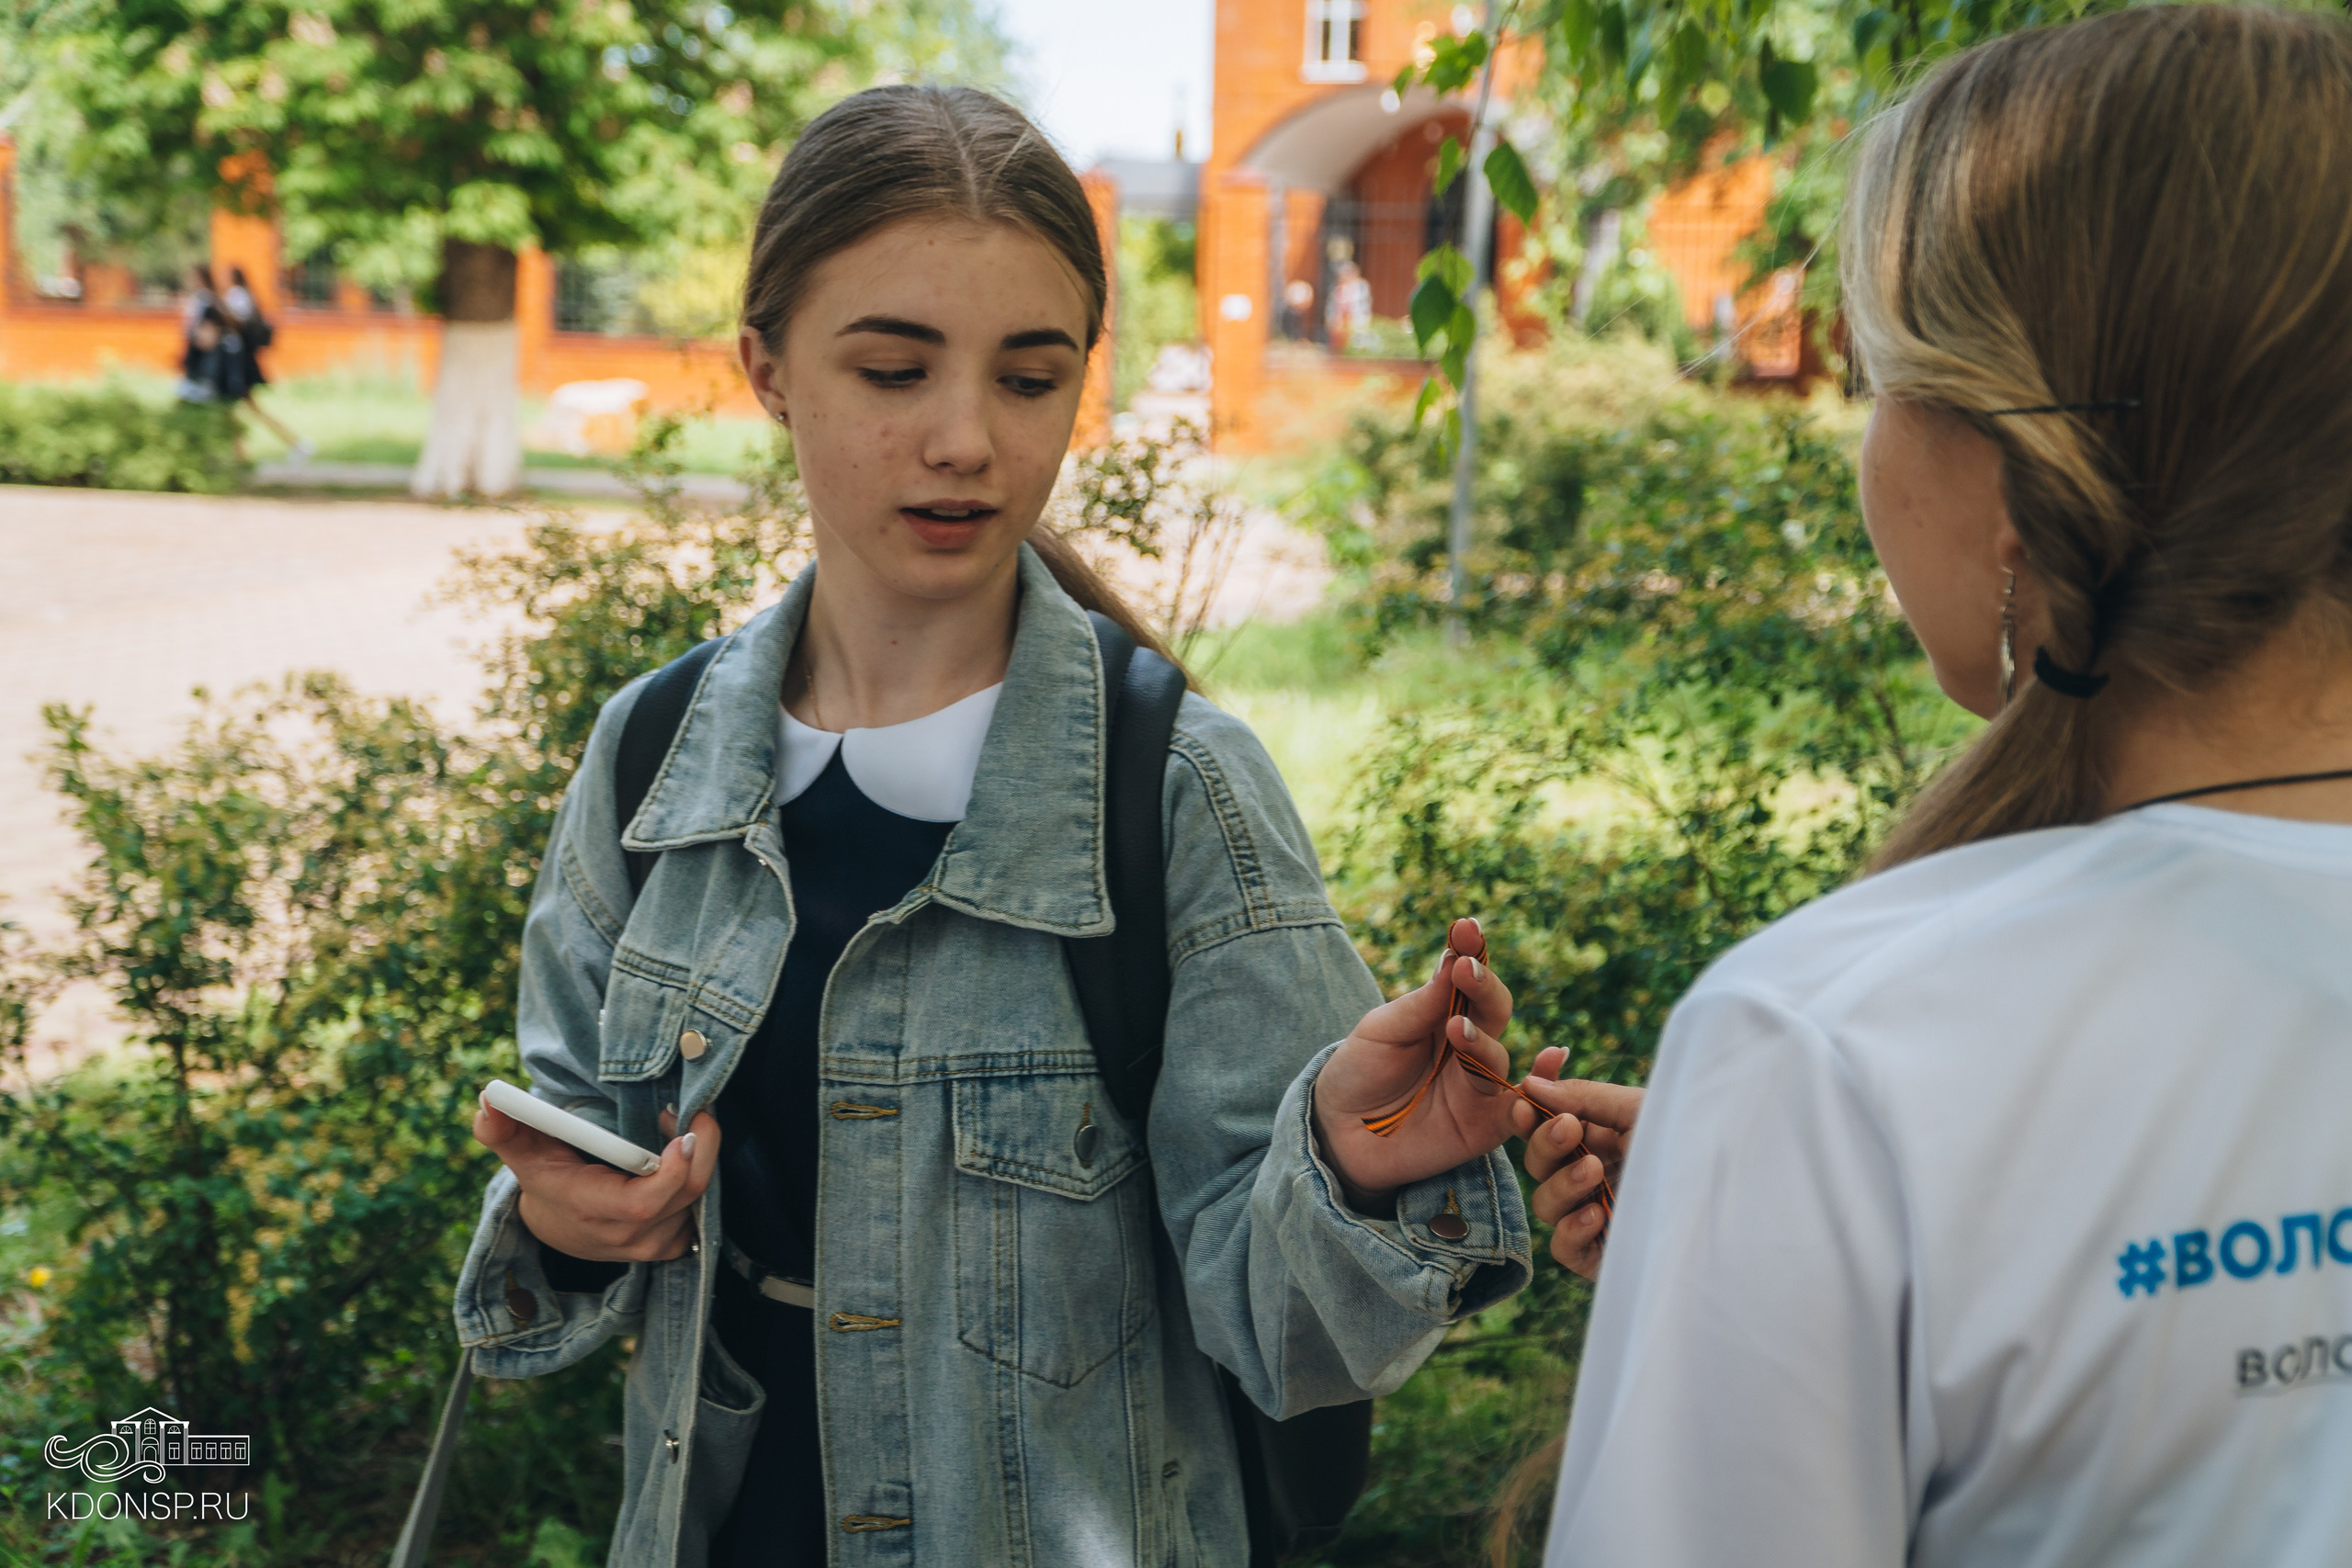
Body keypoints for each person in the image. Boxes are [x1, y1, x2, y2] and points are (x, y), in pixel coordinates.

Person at [456, 85, 1558, 1568]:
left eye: (1029, 379)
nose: (965, 437)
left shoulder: (1177, 790)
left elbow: (1291, 1336)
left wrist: (1354, 1172)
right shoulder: (654, 760)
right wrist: (571, 1223)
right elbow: (571, 1144)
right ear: (769, 369)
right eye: (896, 369)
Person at [1532, 9, 2352, 1564]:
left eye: (1879, 377)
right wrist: (1777, 1249)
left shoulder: (1831, 1048)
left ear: (2012, 473)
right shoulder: (1829, 1079)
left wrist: (1795, 1215)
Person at [220, 265, 312, 461]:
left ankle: (295, 443)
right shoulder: (245, 295)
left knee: (239, 410)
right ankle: (241, 454)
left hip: (239, 366)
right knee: (237, 411)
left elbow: (234, 324)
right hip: (243, 364)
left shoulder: (237, 296)